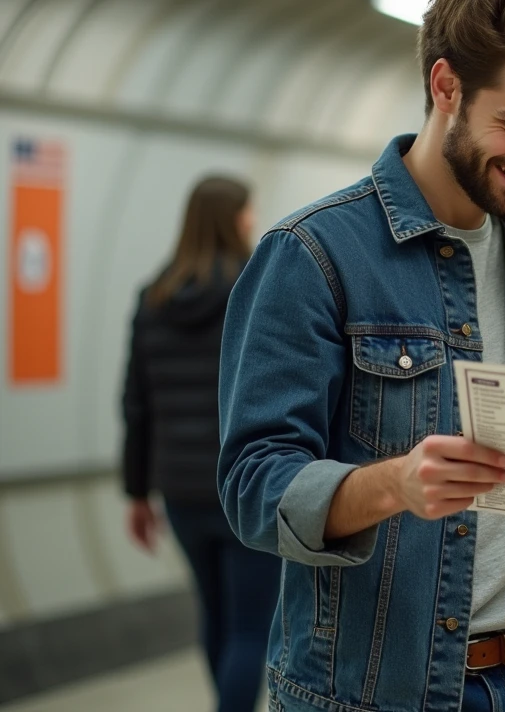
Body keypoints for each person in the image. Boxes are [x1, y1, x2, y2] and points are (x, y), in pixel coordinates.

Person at [217, 0, 505, 712]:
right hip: (379, 692)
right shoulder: (313, 256)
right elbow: (253, 484)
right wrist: (393, 484)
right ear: (446, 86)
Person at [122, 175, 279, 712]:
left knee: (215, 615)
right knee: (251, 627)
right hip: (243, 483)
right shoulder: (255, 287)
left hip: (179, 488)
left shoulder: (153, 298)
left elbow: (136, 403)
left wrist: (136, 493)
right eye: (249, 211)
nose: (253, 220)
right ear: (234, 219)